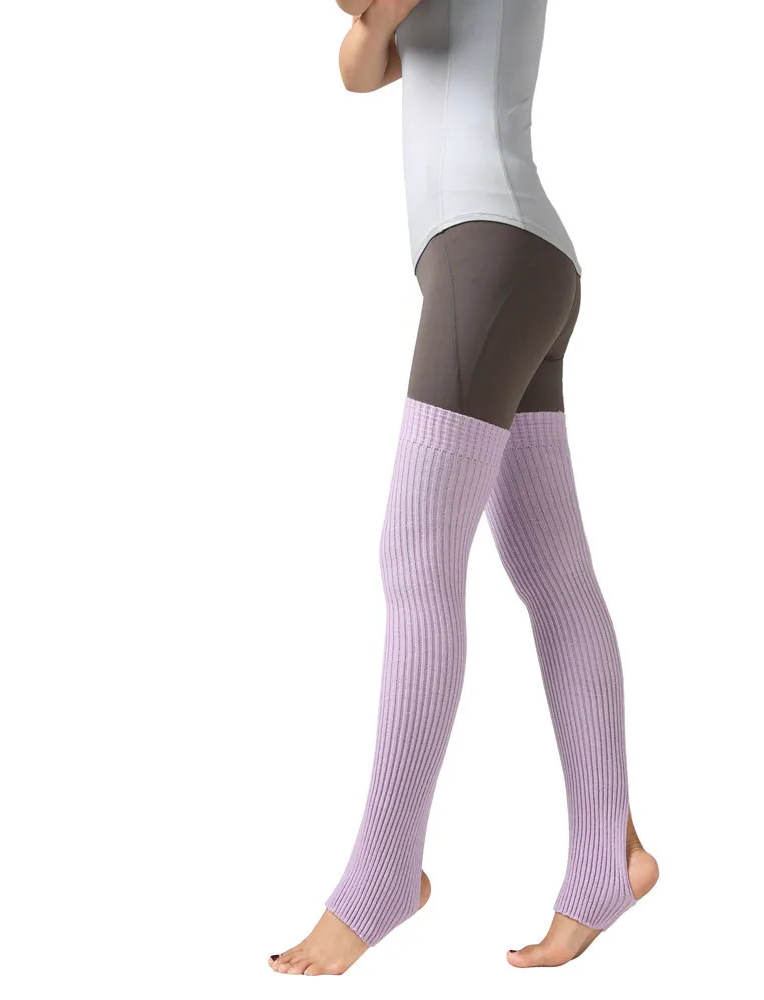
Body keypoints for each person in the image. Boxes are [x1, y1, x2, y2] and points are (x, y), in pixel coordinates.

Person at [268, 0, 658, 976]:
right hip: (498, 259)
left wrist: (370, 16)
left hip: (491, 254)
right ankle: (607, 854)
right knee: (552, 574)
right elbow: (360, 65)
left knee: (416, 558)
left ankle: (382, 875)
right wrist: (371, 25)